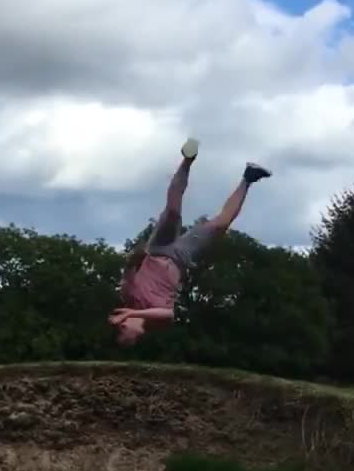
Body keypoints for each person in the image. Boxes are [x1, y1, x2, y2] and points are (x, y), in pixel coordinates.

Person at [109, 138, 271, 345]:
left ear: (123, 327)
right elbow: (166, 313)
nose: (136, 337)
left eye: (127, 338)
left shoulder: (127, 295)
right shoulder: (157, 323)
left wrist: (136, 258)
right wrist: (131, 313)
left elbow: (130, 266)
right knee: (220, 224)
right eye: (134, 340)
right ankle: (249, 177)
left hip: (158, 249)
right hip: (180, 259)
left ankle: (187, 159)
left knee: (173, 212)